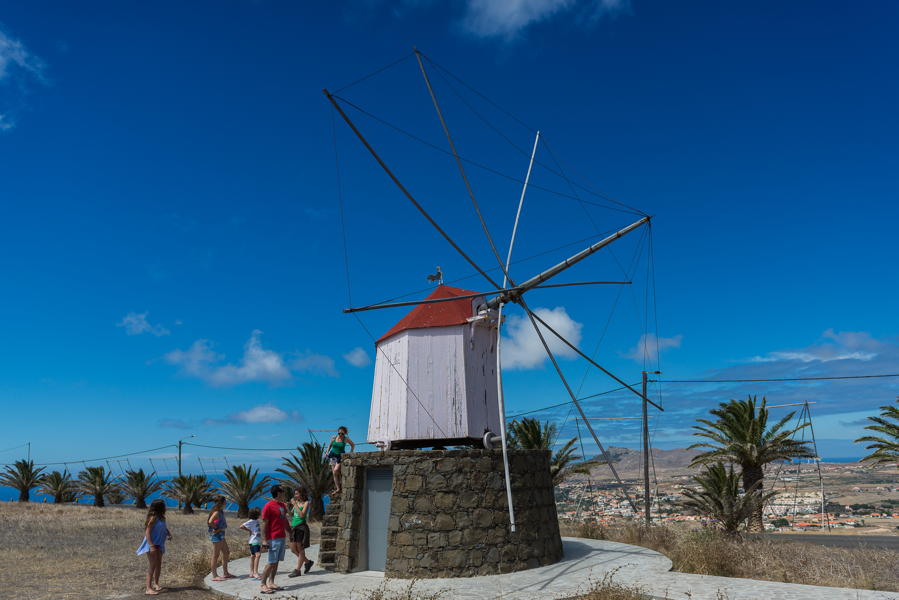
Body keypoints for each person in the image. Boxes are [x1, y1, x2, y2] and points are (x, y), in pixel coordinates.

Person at [136, 499, 172, 596]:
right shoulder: (153, 518)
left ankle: (156, 584)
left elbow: (164, 527)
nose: (166, 507)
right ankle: (148, 588)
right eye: (164, 506)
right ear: (159, 508)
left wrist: (168, 534)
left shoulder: (162, 518)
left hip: (160, 544)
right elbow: (147, 532)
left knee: (158, 564)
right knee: (152, 566)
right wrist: (151, 545)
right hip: (152, 544)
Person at [259, 484, 289, 595]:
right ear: (278, 493)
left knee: (276, 562)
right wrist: (264, 540)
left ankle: (271, 582)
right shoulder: (268, 506)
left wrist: (290, 532)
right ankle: (263, 584)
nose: (284, 493)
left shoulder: (282, 505)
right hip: (273, 538)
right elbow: (265, 524)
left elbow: (284, 520)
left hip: (281, 537)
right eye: (282, 491)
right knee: (271, 562)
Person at [287, 488, 313, 577]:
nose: (295, 496)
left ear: (302, 494)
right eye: (295, 494)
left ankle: (297, 570)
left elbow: (302, 515)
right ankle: (308, 562)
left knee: (300, 549)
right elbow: (290, 515)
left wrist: (295, 505)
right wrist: (286, 506)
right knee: (293, 549)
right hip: (294, 527)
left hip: (301, 527)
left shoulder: (306, 503)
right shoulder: (296, 503)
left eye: (297, 494)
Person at [207, 496, 234, 581]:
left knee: (226, 552)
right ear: (221, 503)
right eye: (225, 501)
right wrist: (217, 529)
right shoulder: (217, 512)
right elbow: (210, 522)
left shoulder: (220, 511)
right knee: (216, 555)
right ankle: (214, 576)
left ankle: (225, 573)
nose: (226, 503)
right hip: (217, 536)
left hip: (221, 535)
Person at [327, 426, 355, 494]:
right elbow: (330, 445)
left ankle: (340, 484)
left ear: (345, 433)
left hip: (340, 456)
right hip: (332, 455)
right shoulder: (334, 437)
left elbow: (353, 445)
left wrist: (351, 452)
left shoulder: (346, 439)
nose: (340, 435)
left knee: (336, 470)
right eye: (339, 433)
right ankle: (338, 488)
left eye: (342, 433)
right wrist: (327, 451)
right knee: (334, 473)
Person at [240, 507, 263, 580]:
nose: (261, 513)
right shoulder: (252, 521)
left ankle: (251, 572)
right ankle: (255, 572)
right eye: (260, 512)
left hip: (256, 541)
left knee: (253, 556)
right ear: (257, 514)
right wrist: (249, 530)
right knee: (258, 555)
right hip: (254, 541)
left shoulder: (256, 521)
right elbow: (241, 526)